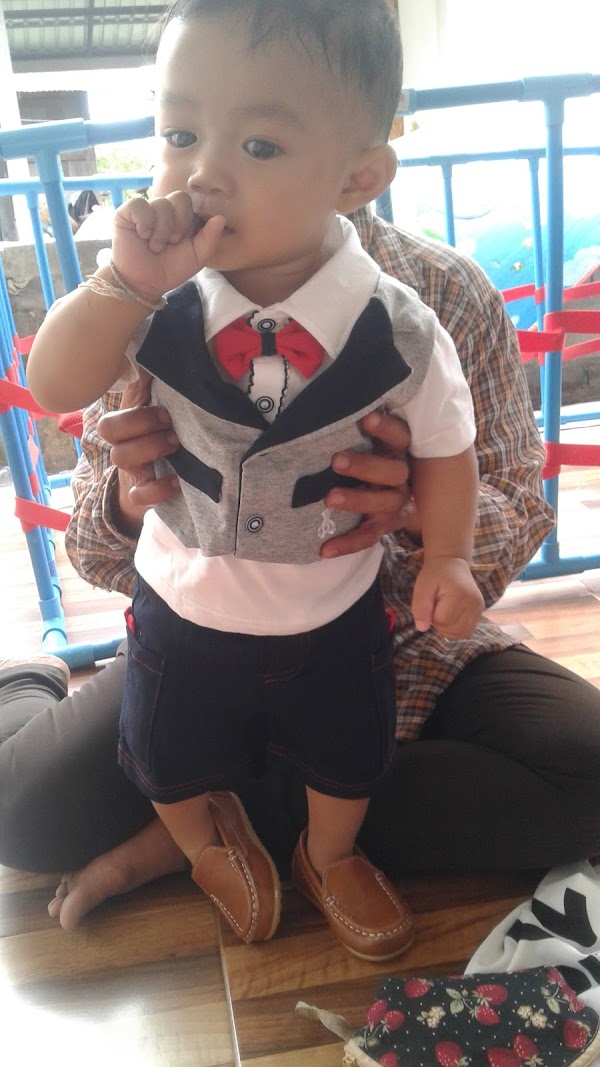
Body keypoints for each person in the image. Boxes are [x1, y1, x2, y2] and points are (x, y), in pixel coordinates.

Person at [3, 6, 600, 946]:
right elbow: (93, 540)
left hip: (388, 641)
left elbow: (519, 500)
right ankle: (37, 689)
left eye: (258, 143)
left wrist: (419, 521)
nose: (202, 173)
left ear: (359, 171)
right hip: (200, 631)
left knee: (587, 772)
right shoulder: (148, 301)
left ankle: (242, 829)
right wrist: (128, 492)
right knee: (21, 815)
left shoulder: (435, 301)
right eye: (179, 133)